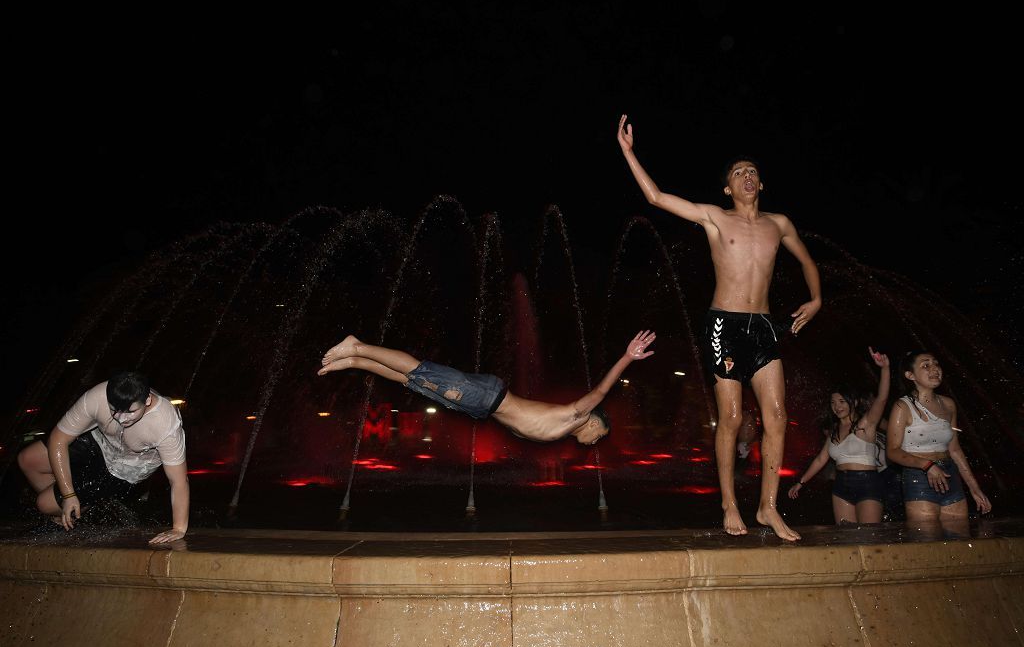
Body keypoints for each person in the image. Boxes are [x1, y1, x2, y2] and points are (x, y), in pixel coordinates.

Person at [617, 115, 821, 541]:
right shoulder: (714, 217)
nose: (748, 177)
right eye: (738, 173)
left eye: (753, 173)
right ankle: (729, 502)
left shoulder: (778, 223)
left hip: (763, 326)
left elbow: (805, 260)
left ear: (760, 185)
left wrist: (817, 298)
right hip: (723, 326)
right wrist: (628, 152)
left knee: (778, 417)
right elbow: (655, 197)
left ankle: (768, 506)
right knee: (730, 417)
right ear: (728, 188)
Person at [317, 331, 656, 444]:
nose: (594, 442)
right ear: (594, 422)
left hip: (481, 405)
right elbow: (600, 392)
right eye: (599, 436)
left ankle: (355, 361)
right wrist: (627, 356)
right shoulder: (575, 415)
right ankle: (358, 346)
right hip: (487, 397)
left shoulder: (562, 428)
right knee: (420, 369)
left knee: (414, 381)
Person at [16, 371, 189, 544]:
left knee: (44, 504)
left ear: (148, 400)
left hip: (125, 469)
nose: (121, 418)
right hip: (99, 440)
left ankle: (75, 505)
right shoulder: (97, 396)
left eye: (131, 411)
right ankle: (72, 505)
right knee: (28, 459)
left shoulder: (166, 424)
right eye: (114, 410)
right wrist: (68, 494)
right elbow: (58, 439)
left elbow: (179, 481)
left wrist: (178, 528)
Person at [885, 350, 992, 523]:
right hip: (918, 476)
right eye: (926, 365)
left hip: (950, 474)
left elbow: (955, 449)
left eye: (936, 364)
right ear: (910, 375)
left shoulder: (949, 404)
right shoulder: (902, 407)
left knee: (959, 540)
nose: (935, 369)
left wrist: (974, 488)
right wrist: (926, 465)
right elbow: (892, 451)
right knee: (927, 542)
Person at [788, 347, 890, 524]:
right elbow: (820, 460)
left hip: (867, 483)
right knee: (846, 536)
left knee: (870, 536)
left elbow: (881, 398)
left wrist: (885, 368)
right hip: (841, 485)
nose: (837, 406)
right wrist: (801, 483)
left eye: (842, 401)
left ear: (854, 402)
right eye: (833, 403)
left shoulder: (866, 424)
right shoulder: (834, 431)